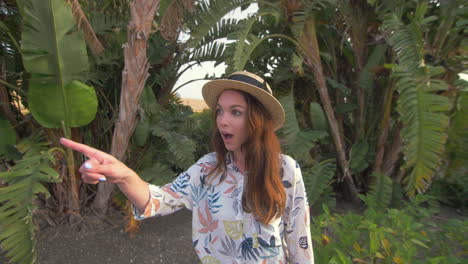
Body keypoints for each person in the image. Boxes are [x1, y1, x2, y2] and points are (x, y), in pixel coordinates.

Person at [60, 71, 314, 264]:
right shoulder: (208, 169)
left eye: (236, 112)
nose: (223, 121)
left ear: (258, 119)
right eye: (220, 111)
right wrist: (123, 174)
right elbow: (157, 200)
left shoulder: (285, 170)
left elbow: (299, 239)